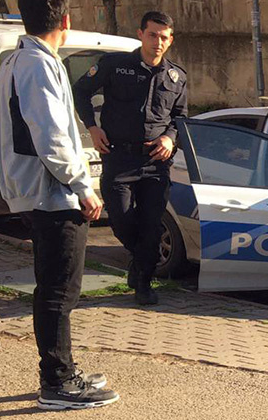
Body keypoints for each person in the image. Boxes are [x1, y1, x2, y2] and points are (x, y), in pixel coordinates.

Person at [0, 0, 117, 410]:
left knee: (53, 286)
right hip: (53, 193)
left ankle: (62, 370)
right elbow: (50, 135)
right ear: (65, 20)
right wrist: (83, 185)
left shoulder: (14, 61)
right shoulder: (39, 65)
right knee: (60, 290)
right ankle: (58, 381)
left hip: (36, 189)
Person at [73, 10, 187, 306]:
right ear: (140, 34)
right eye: (152, 35)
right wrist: (92, 127)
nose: (158, 42)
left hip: (155, 162)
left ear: (170, 40)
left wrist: (169, 138)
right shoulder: (115, 65)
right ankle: (139, 261)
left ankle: (143, 283)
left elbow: (181, 118)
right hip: (119, 158)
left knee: (151, 225)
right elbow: (80, 91)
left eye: (164, 37)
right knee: (121, 221)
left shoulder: (177, 77)